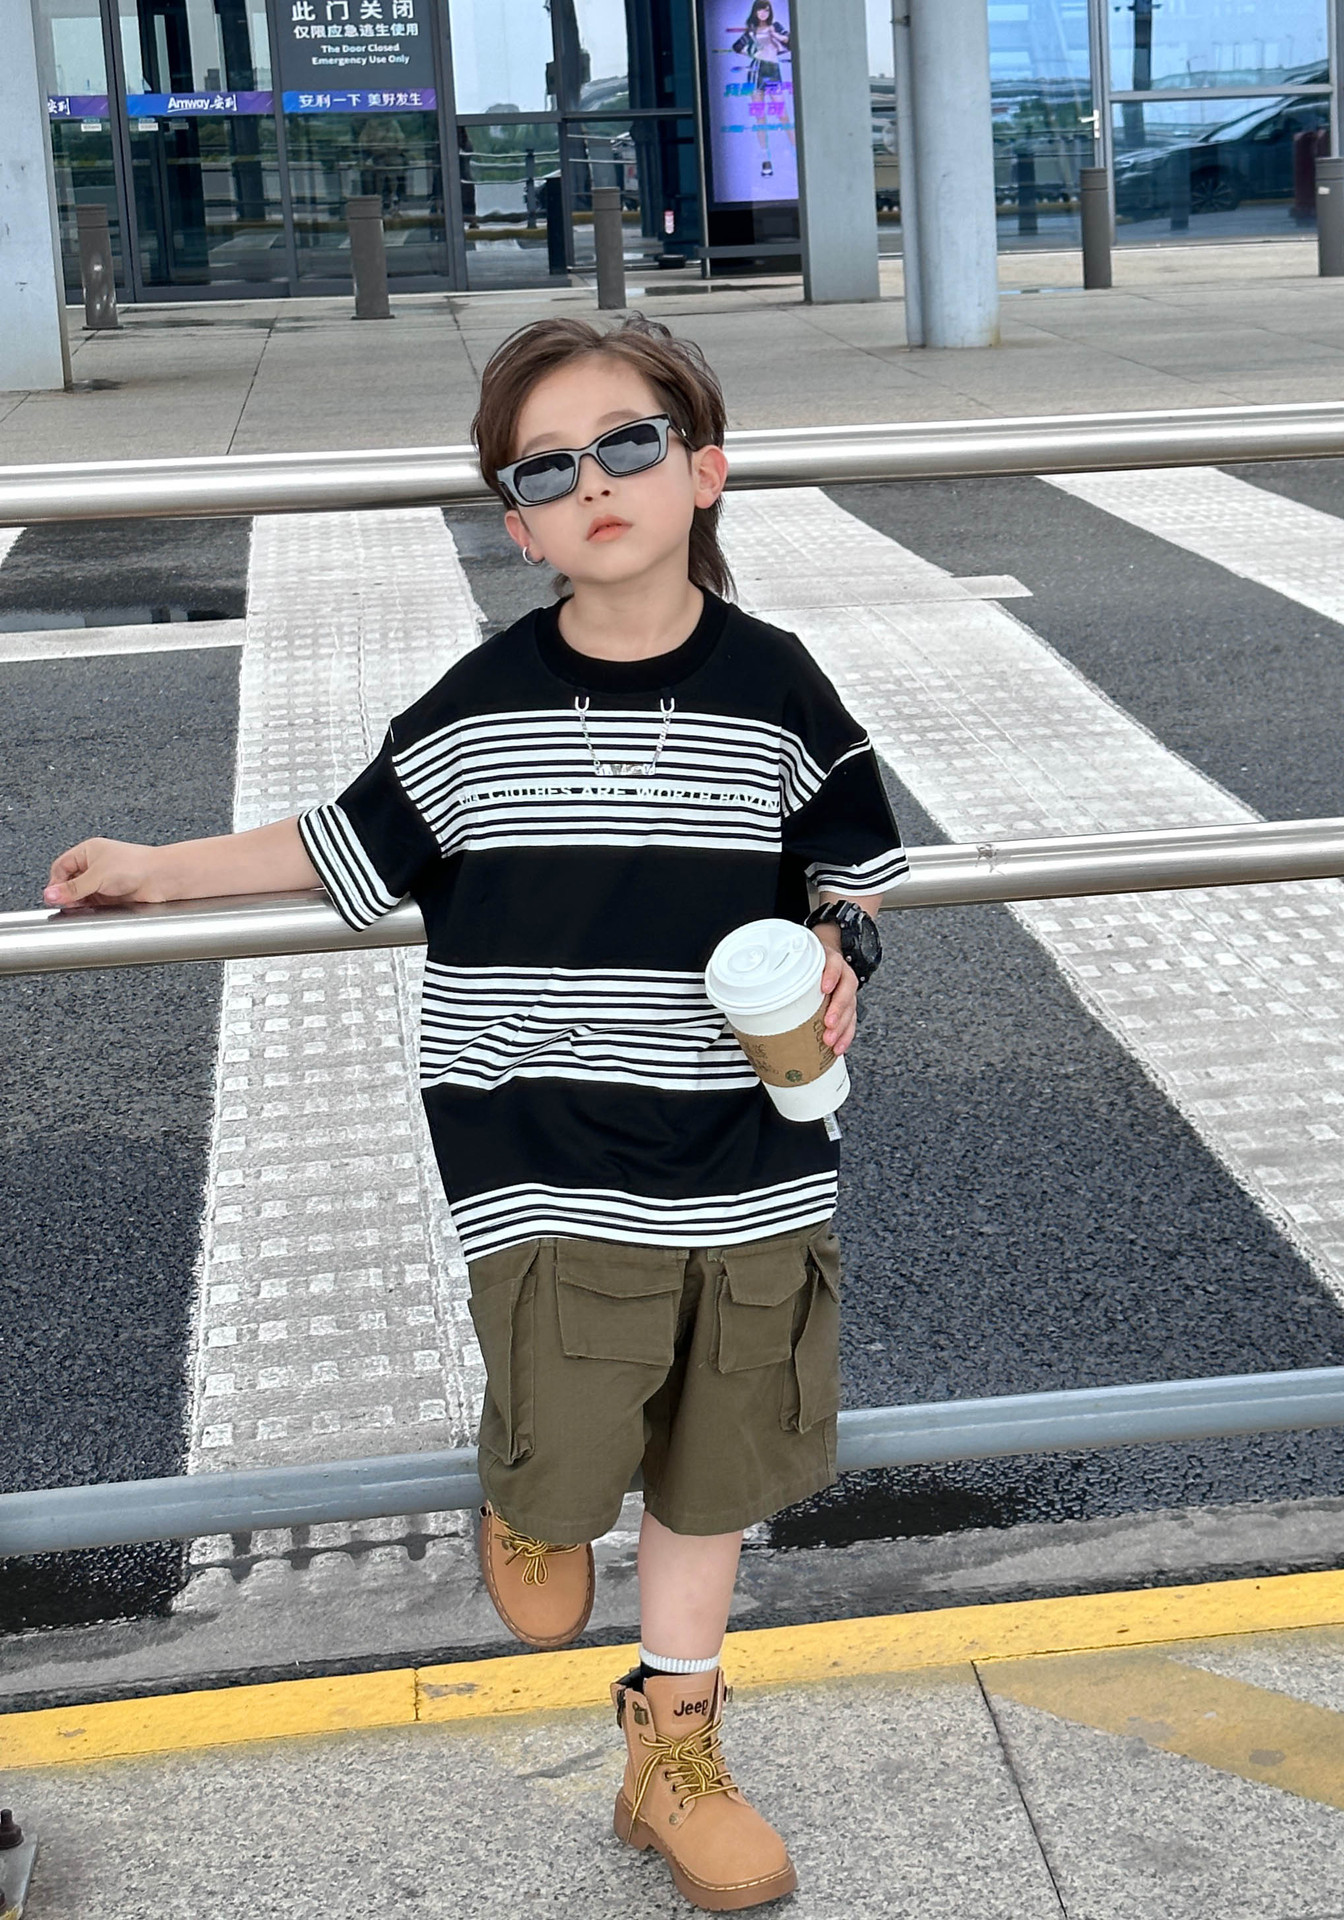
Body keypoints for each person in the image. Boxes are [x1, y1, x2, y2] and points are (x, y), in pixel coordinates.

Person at [44, 315, 905, 1913]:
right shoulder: (485, 702)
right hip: (543, 1144)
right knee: (575, 1424)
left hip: (751, 1147)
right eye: (547, 469)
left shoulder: (780, 684)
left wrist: (842, 950)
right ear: (518, 526)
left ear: (705, 471)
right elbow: (345, 842)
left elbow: (846, 866)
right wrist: (160, 868)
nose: (596, 484)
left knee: (715, 1464)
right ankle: (530, 1485)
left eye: (630, 444)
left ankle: (675, 1746)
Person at [729, 0, 791, 178]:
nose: (763, 13)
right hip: (756, 72)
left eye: (766, 10)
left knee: (782, 114)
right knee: (760, 117)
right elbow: (737, 46)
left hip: (773, 71)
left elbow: (790, 41)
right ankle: (766, 160)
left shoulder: (776, 26)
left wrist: (775, 36)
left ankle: (795, 152)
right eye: (760, 10)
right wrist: (753, 53)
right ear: (755, 12)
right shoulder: (751, 30)